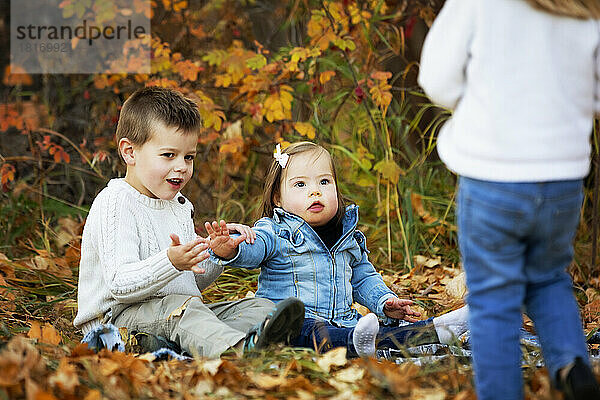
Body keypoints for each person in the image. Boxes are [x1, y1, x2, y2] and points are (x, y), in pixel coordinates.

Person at [418, 0, 600, 399]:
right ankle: (571, 363)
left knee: (493, 300)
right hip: (562, 179)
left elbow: (437, 80)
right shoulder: (585, 8)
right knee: (548, 277)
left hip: (493, 176)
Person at [73, 86, 304, 358]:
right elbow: (119, 285)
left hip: (173, 312)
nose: (181, 166)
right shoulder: (115, 202)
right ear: (130, 152)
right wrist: (171, 261)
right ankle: (238, 349)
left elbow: (188, 283)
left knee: (259, 307)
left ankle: (222, 343)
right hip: (117, 321)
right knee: (185, 310)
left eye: (189, 157)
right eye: (168, 155)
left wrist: (217, 254)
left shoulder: (179, 205)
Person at [205, 141, 469, 358]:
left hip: (344, 323)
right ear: (277, 197)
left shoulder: (347, 236)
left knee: (377, 331)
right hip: (293, 326)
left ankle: (434, 331)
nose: (315, 192)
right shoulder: (275, 231)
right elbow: (255, 247)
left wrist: (384, 302)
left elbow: (364, 278)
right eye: (300, 184)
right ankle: (392, 342)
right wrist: (230, 249)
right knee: (318, 332)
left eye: (324, 182)